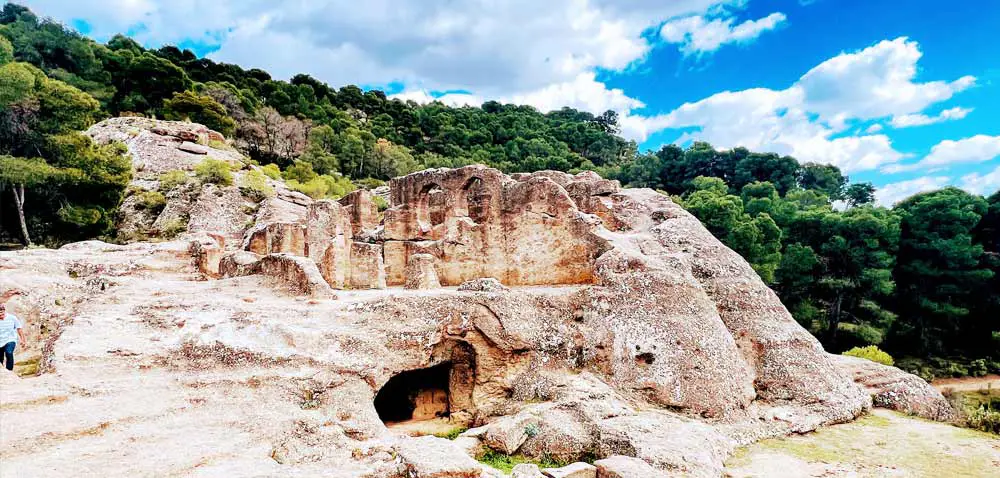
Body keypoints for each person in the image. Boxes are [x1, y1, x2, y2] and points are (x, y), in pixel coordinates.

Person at [0, 290, 26, 372]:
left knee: (9, 352)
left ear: (4, 311)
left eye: (2, 313)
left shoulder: (12, 318)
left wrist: (23, 340)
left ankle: (9, 370)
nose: (1, 315)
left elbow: (19, 329)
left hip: (10, 339)